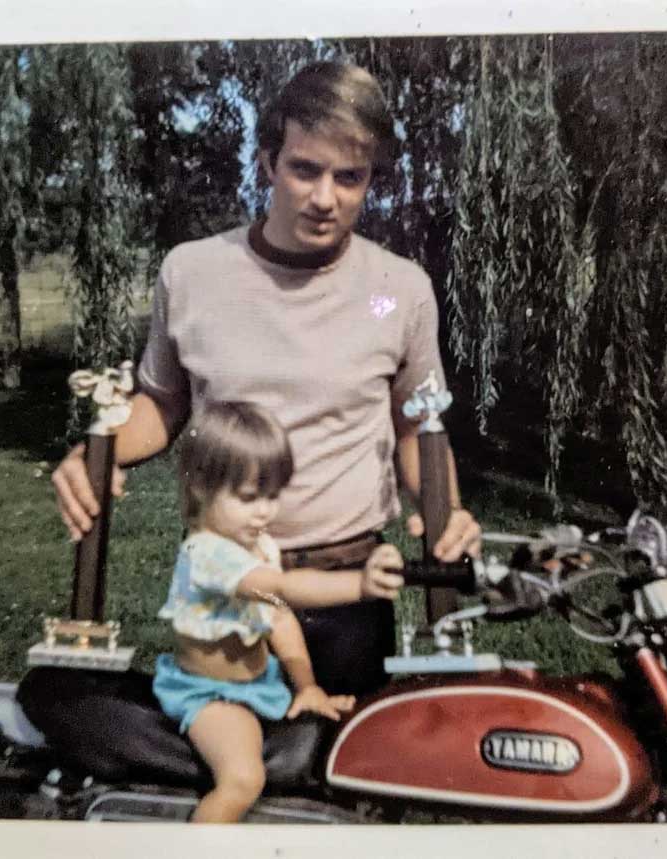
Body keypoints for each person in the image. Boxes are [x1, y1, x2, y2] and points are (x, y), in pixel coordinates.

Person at [52, 60, 481, 697]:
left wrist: (448, 510)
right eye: (304, 168)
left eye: (349, 177)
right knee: (225, 770)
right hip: (227, 588)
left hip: (350, 589)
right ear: (266, 163)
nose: (324, 197)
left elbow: (418, 424)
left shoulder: (400, 291)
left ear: (370, 181)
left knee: (347, 779)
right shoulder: (193, 272)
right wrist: (99, 448)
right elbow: (163, 404)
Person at [153, 400, 403, 822]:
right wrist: (359, 585)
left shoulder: (257, 546)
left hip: (258, 685)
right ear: (200, 487)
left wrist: (306, 684)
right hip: (211, 696)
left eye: (272, 496)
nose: (265, 511)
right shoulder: (207, 555)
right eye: (250, 497)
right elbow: (282, 587)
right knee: (242, 780)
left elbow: (279, 615)